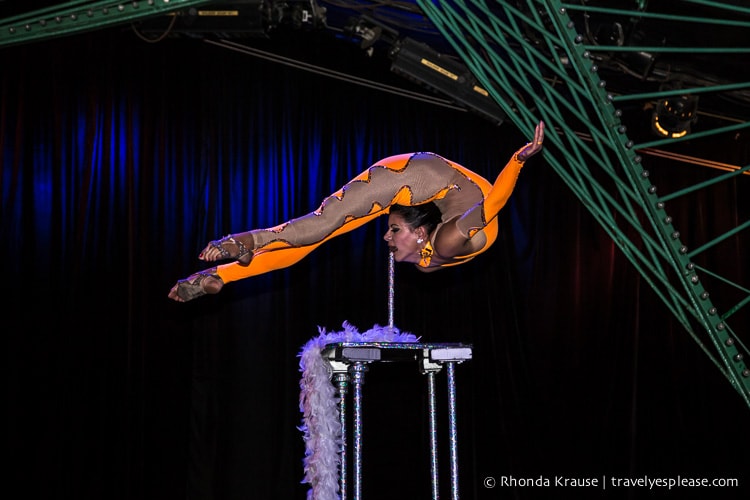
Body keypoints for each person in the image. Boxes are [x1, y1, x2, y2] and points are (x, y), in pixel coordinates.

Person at [168, 121, 545, 302]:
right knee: (323, 222)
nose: (385, 237)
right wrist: (517, 160)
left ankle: (219, 276)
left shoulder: (430, 257)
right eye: (394, 230)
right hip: (422, 175)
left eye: (391, 230)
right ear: (420, 234)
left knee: (313, 243)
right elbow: (494, 203)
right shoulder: (446, 243)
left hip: (434, 195)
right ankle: (243, 241)